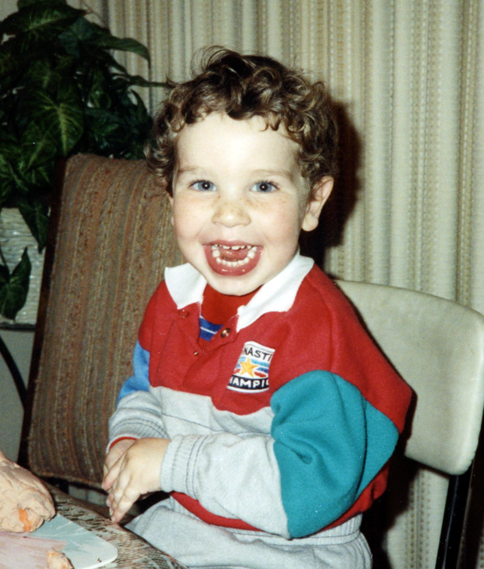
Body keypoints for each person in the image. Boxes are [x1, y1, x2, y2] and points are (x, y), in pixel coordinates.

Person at [102, 47, 412, 569]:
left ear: (312, 202)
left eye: (263, 186)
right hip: (182, 521)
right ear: (171, 197)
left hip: (295, 549)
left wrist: (173, 462)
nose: (229, 213)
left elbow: (307, 492)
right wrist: (132, 444)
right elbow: (143, 395)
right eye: (203, 185)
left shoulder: (318, 333)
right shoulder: (174, 297)